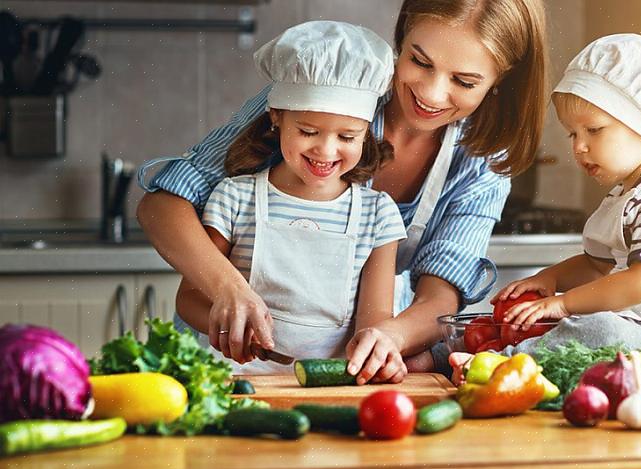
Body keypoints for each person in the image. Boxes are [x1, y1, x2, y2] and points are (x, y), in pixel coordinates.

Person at [136, 0, 548, 382]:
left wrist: (389, 338)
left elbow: (440, 293)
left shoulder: (484, 156)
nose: (431, 93)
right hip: (221, 361)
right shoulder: (325, 86)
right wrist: (230, 291)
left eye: (464, 80)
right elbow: (162, 204)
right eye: (419, 61)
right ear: (401, 37)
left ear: (500, 79)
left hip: (336, 365)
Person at [450, 33, 641, 379]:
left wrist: (563, 303)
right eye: (573, 134)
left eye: (594, 130)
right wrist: (549, 278)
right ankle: (448, 352)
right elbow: (595, 266)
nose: (579, 147)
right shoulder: (627, 195)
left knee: (601, 330)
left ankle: (501, 363)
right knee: (579, 323)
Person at [173, 21, 405, 374]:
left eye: (348, 136)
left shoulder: (378, 215)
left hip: (328, 390)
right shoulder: (235, 198)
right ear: (276, 117)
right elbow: (189, 299)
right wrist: (228, 328)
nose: (326, 150)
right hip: (237, 381)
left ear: (366, 133)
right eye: (308, 131)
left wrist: (378, 354)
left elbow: (373, 324)